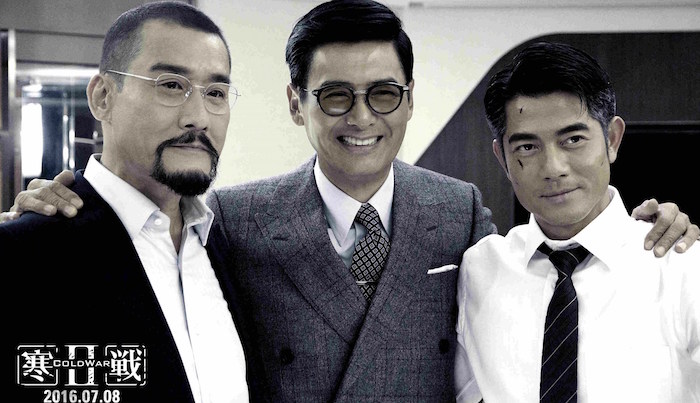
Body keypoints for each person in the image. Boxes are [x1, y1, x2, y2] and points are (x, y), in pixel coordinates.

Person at [4, 1, 698, 401]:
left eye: (383, 94)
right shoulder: (234, 219)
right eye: (334, 95)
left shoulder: (458, 212)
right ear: (295, 103)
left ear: (409, 101)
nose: (361, 118)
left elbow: (554, 244)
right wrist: (70, 205)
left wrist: (649, 226)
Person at [0, 3, 248, 402]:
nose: (199, 117)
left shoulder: (230, 246)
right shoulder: (24, 253)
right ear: (102, 97)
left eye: (216, 93)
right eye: (172, 85)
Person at [455, 41, 700, 402]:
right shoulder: (479, 270)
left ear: (612, 140)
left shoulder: (682, 266)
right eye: (527, 147)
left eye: (573, 139)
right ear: (502, 158)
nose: (553, 168)